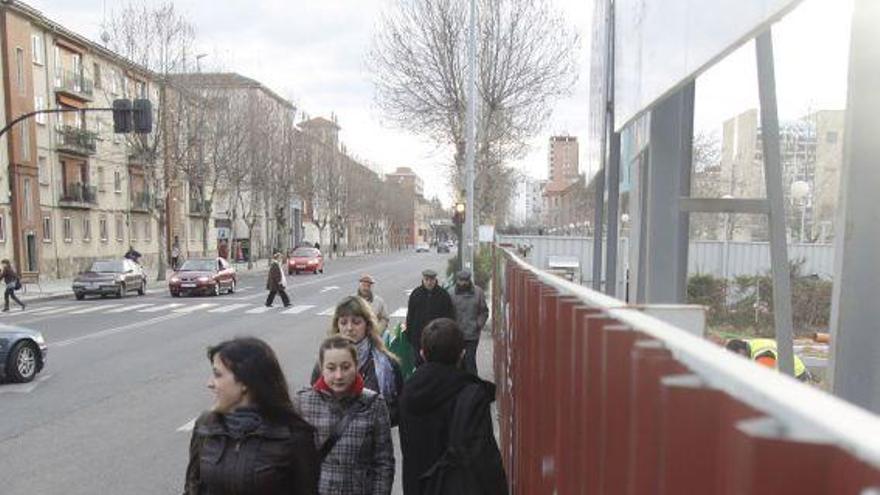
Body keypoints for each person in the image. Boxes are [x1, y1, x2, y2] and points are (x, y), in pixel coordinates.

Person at [184, 337, 319, 494]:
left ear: (245, 382)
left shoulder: (293, 435)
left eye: (217, 374)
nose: (210, 383)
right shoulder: (206, 425)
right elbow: (192, 486)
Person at [398, 318, 507, 495]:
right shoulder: (471, 395)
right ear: (462, 354)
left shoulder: (408, 392)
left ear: (423, 354)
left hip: (417, 486)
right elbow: (484, 457)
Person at [294, 335, 395, 495]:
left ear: (356, 366)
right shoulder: (303, 401)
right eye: (331, 368)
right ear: (321, 367)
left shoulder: (374, 404)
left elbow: (383, 463)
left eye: (346, 367)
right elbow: (293, 458)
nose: (339, 376)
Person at [312, 296, 404, 426]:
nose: (349, 328)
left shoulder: (387, 364)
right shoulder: (323, 364)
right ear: (337, 326)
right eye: (343, 322)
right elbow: (315, 404)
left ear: (367, 325)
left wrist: (370, 422)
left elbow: (397, 408)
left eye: (356, 322)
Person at [406, 269, 455, 366]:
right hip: (419, 339)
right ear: (423, 279)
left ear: (435, 280)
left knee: (437, 366)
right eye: (426, 279)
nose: (429, 282)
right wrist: (411, 336)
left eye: (431, 280)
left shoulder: (443, 295)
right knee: (419, 365)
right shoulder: (416, 294)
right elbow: (410, 316)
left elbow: (449, 317)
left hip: (438, 340)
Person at [448, 270, 489, 375]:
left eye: (465, 281)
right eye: (461, 281)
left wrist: (478, 324)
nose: (463, 283)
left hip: (472, 334)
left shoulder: (478, 292)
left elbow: (484, 311)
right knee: (458, 362)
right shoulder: (451, 293)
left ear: (469, 280)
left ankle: (473, 384)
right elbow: (448, 313)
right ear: (457, 280)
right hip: (456, 335)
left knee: (470, 360)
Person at [725, 338, 811, 381]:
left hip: (796, 377)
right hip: (789, 373)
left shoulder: (762, 354)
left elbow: (766, 380)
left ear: (741, 350)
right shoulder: (752, 344)